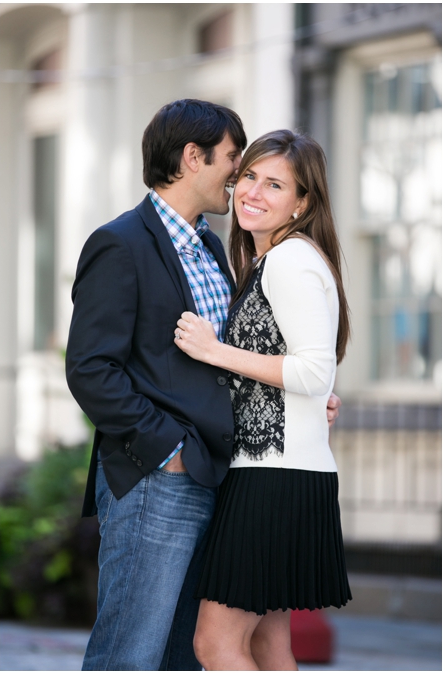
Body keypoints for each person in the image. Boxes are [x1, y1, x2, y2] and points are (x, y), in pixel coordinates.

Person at [65, 100, 341, 671]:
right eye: (235, 161)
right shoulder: (120, 243)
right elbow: (91, 369)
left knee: (187, 655)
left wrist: (296, 400)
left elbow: (239, 360)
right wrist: (166, 450)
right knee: (131, 651)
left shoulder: (216, 247)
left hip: (225, 476)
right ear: (193, 158)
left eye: (265, 178)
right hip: (158, 479)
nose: (240, 180)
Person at [174, 130, 352, 671]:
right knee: (268, 647)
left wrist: (214, 351)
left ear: (302, 202)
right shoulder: (269, 261)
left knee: (216, 644)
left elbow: (314, 369)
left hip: (272, 479)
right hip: (286, 471)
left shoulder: (291, 261)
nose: (253, 191)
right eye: (249, 175)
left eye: (275, 184)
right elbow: (300, 372)